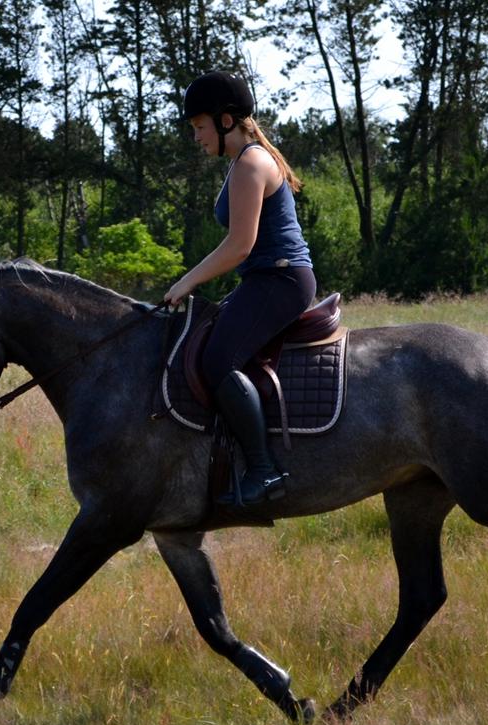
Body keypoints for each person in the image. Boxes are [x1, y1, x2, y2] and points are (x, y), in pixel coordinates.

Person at [164, 70, 316, 506]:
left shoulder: (251, 163)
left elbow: (239, 245)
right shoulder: (242, 162)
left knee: (217, 361)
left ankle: (265, 471)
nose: (196, 136)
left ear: (226, 120)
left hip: (281, 280)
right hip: (264, 279)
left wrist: (187, 281)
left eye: (200, 126)